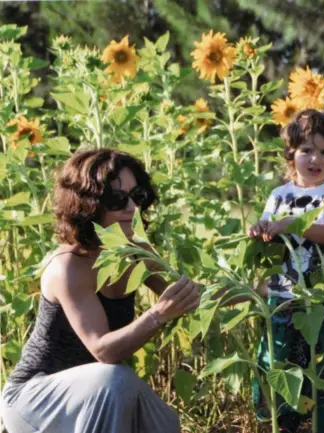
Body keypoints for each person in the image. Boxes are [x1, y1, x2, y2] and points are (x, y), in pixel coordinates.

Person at [0, 149, 200, 433]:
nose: (132, 208)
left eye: (137, 196)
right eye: (117, 199)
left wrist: (260, 290)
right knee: (116, 380)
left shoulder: (133, 247)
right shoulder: (69, 266)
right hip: (35, 398)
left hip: (96, 394)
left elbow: (185, 294)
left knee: (163, 422)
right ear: (88, 205)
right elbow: (103, 350)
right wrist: (158, 314)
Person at [248, 109, 324, 433]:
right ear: (291, 153)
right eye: (307, 150)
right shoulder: (279, 196)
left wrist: (295, 224)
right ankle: (283, 422)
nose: (316, 159)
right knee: (279, 359)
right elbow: (269, 234)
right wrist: (260, 229)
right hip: (284, 296)